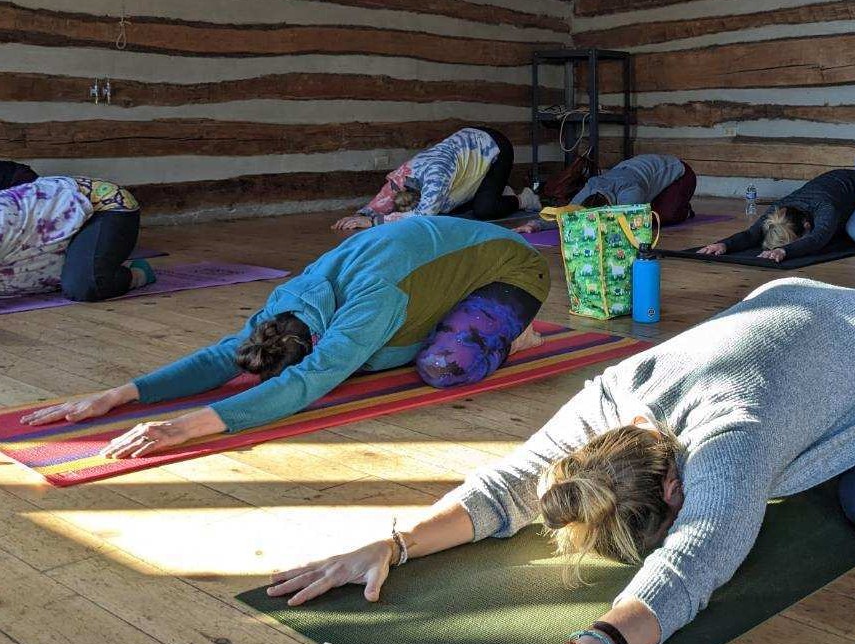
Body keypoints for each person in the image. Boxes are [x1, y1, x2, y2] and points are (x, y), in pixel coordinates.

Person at [263, 278, 855, 644]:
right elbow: (511, 482)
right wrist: (395, 542)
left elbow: (704, 545)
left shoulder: (732, 428)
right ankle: (812, 419)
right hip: (783, 309)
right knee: (784, 466)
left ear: (675, 490)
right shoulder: (613, 397)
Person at [22, 217, 551, 458]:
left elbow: (307, 382)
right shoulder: (291, 301)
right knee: (368, 355)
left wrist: (184, 428)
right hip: (421, 273)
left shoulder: (374, 301)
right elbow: (221, 357)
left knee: (443, 368)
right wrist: (121, 395)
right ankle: (442, 321)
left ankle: (514, 333)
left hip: (511, 268)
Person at [333, 127, 539, 232]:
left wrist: (373, 222)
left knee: (484, 209)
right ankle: (494, 190)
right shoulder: (403, 176)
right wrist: (360, 215)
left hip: (494, 146)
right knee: (451, 210)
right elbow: (382, 199)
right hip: (464, 152)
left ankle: (522, 198)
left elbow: (424, 215)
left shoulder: (435, 178)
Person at [1, 173, 153, 301]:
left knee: (85, 284)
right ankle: (87, 258)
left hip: (104, 206)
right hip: (46, 233)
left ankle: (137, 273)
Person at [698, 167, 855, 262]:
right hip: (840, 191)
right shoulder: (779, 209)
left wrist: (785, 251)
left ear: (807, 225)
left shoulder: (825, 208)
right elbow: (751, 234)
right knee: (843, 228)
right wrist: (723, 244)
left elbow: (816, 240)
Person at [514, 154, 697, 233]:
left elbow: (632, 221)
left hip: (680, 173)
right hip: (638, 171)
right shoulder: (589, 189)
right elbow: (566, 213)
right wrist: (535, 225)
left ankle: (684, 209)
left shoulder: (629, 192)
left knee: (656, 218)